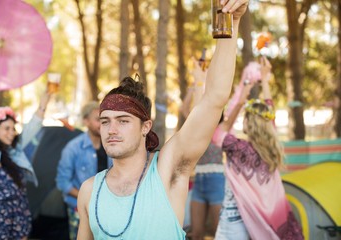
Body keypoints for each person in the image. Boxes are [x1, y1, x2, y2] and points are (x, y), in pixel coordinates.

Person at [76, 1, 249, 239]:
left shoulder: (168, 170)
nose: (111, 129)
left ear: (146, 127)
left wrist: (233, 22)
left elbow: (214, 98)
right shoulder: (88, 190)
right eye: (105, 121)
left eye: (123, 120)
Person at [213, 56, 304, 239]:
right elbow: (269, 110)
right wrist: (264, 80)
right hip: (270, 220)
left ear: (249, 123)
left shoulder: (238, 148)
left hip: (236, 219)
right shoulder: (272, 146)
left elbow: (218, 133)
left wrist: (241, 99)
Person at [0, 65, 51, 240]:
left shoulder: (15, 150)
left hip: (20, 212)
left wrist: (45, 100)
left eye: (13, 128)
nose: (11, 132)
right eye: (6, 128)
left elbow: (33, 125)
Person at [181, 61, 225, 240]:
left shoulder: (223, 129)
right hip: (199, 180)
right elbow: (185, 109)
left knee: (217, 231)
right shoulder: (198, 127)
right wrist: (195, 84)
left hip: (217, 181)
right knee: (196, 232)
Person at [56, 101, 112, 240]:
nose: (102, 124)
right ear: (86, 121)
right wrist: (87, 197)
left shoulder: (112, 145)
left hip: (107, 206)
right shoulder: (73, 148)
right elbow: (62, 182)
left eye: (104, 120)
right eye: (98, 119)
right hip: (78, 208)